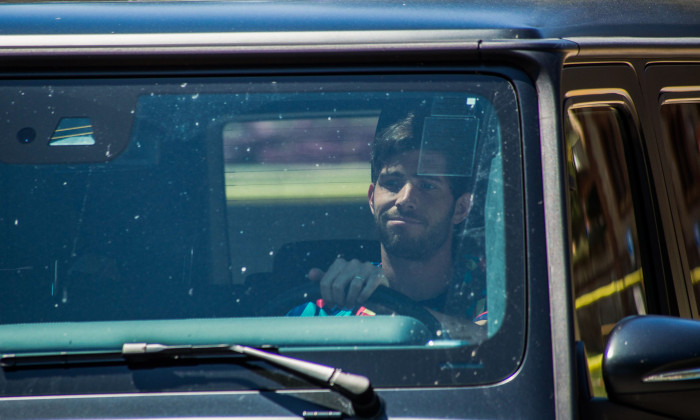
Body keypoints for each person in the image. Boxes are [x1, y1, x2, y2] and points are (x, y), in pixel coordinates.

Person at [289, 104, 487, 338]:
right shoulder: (324, 310)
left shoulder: (495, 293)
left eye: (427, 186)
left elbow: (497, 345)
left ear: (461, 208)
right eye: (392, 183)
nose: (405, 200)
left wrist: (393, 309)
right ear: (372, 198)